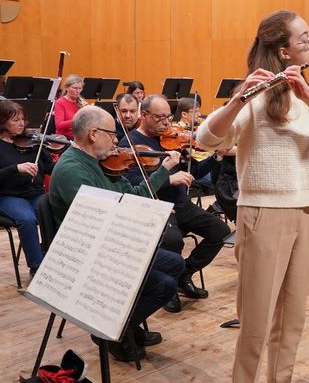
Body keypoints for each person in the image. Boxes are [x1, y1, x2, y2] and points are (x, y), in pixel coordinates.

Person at [196, 10, 309, 383]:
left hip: (305, 210)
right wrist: (237, 99)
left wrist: (308, 96)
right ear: (283, 50)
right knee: (257, 316)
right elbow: (206, 139)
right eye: (305, 37)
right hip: (262, 212)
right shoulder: (254, 96)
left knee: (293, 313)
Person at [48, 105, 184, 361]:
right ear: (92, 134)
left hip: (107, 242)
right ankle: (110, 332)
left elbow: (131, 196)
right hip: (88, 252)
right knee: (164, 286)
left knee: (175, 263)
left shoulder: (99, 162)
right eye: (111, 134)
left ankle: (127, 324)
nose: (116, 141)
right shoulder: (72, 170)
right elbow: (100, 221)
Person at [119, 94, 230, 313]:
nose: (166, 123)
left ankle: (184, 274)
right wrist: (168, 178)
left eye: (168, 117)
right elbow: (132, 182)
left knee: (220, 231)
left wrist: (216, 157)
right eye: (160, 118)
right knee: (173, 241)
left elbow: (194, 172)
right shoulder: (129, 143)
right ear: (144, 115)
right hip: (157, 207)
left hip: (181, 204)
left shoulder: (170, 140)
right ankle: (168, 288)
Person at [0, 100, 54, 276]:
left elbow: (50, 167)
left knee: (52, 212)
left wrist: (69, 154)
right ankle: (37, 266)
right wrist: (16, 168)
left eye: (23, 119)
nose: (21, 123)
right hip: (9, 196)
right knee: (27, 219)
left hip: (35, 193)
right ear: (2, 121)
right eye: (15, 120)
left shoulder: (32, 142)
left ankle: (51, 256)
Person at [54, 74, 87, 139]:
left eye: (80, 88)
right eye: (74, 88)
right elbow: (59, 125)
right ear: (66, 87)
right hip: (65, 137)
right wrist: (77, 120)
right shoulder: (60, 102)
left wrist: (87, 111)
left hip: (78, 135)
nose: (77, 91)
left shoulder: (81, 102)